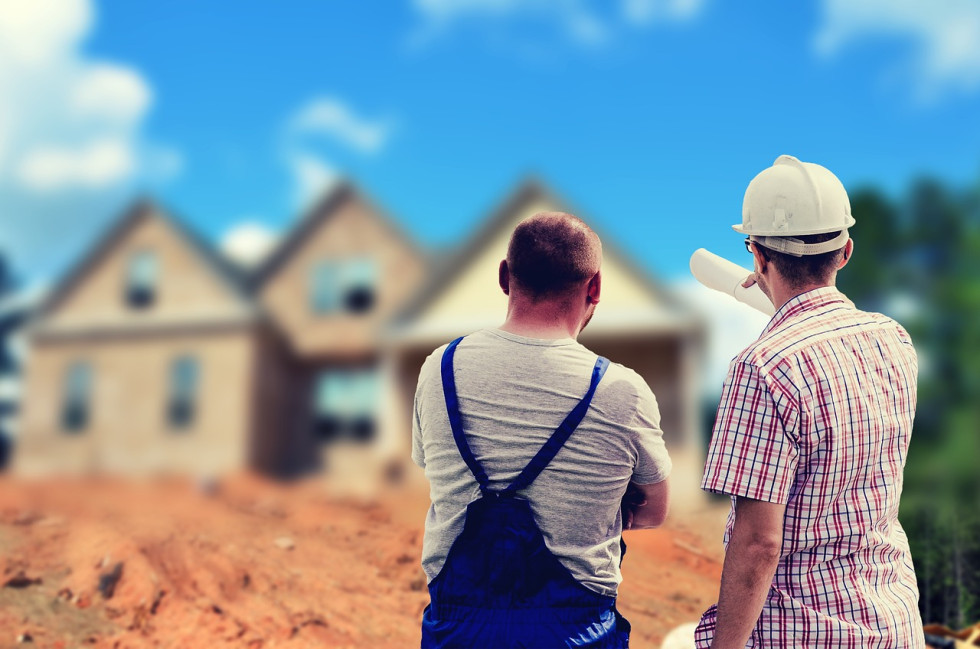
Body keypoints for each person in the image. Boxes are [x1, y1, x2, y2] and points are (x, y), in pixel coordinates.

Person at [413, 212, 672, 648]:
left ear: (503, 276)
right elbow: (654, 511)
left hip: (458, 632)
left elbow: (433, 468)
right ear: (595, 287)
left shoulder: (439, 368)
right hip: (576, 634)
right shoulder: (622, 391)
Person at [695, 155, 924, 648]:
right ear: (845, 251)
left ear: (757, 257)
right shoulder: (895, 341)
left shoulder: (762, 368)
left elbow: (759, 544)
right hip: (894, 623)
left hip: (804, 635)